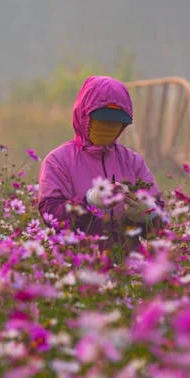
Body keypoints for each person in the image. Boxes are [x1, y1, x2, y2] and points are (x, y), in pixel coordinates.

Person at [37, 75, 165, 251]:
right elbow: (51, 214)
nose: (108, 127)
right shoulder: (58, 161)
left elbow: (160, 224)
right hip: (77, 262)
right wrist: (88, 202)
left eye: (115, 122)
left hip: (129, 265)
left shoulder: (132, 161)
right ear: (84, 115)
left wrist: (147, 214)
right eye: (102, 121)